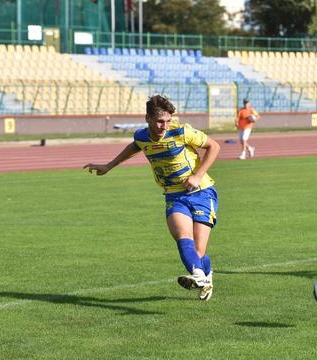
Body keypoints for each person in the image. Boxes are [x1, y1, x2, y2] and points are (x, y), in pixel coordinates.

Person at [84, 95, 221, 301]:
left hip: (201, 192)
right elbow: (134, 146)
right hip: (174, 195)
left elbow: (214, 146)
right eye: (159, 121)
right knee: (183, 237)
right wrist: (108, 166)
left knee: (199, 252)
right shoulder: (142, 136)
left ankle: (205, 275)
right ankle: (199, 276)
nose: (164, 126)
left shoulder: (181, 131)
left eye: (167, 121)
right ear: (147, 118)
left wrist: (197, 175)